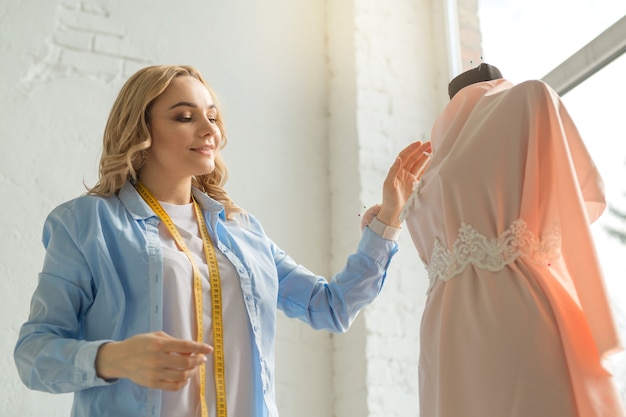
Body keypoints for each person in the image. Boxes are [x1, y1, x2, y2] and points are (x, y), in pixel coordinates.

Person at [13, 64, 432, 417]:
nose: (208, 129)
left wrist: (389, 218)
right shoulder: (88, 223)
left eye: (212, 116)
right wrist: (113, 358)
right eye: (184, 117)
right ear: (141, 131)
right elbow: (34, 354)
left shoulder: (240, 230)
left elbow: (331, 307)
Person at [396, 64, 626, 416]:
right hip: (445, 343)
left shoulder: (528, 99)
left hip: (513, 313)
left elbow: (573, 199)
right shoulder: (424, 171)